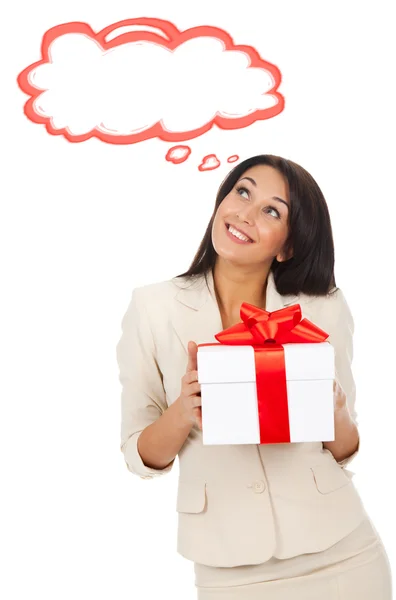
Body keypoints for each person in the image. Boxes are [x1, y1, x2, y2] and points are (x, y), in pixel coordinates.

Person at [116, 154, 392, 599]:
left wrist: (336, 411)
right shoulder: (152, 308)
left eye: (271, 210)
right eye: (242, 191)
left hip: (343, 553)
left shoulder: (322, 308)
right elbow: (139, 454)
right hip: (230, 567)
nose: (244, 213)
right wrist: (183, 411)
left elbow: (342, 450)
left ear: (287, 244)